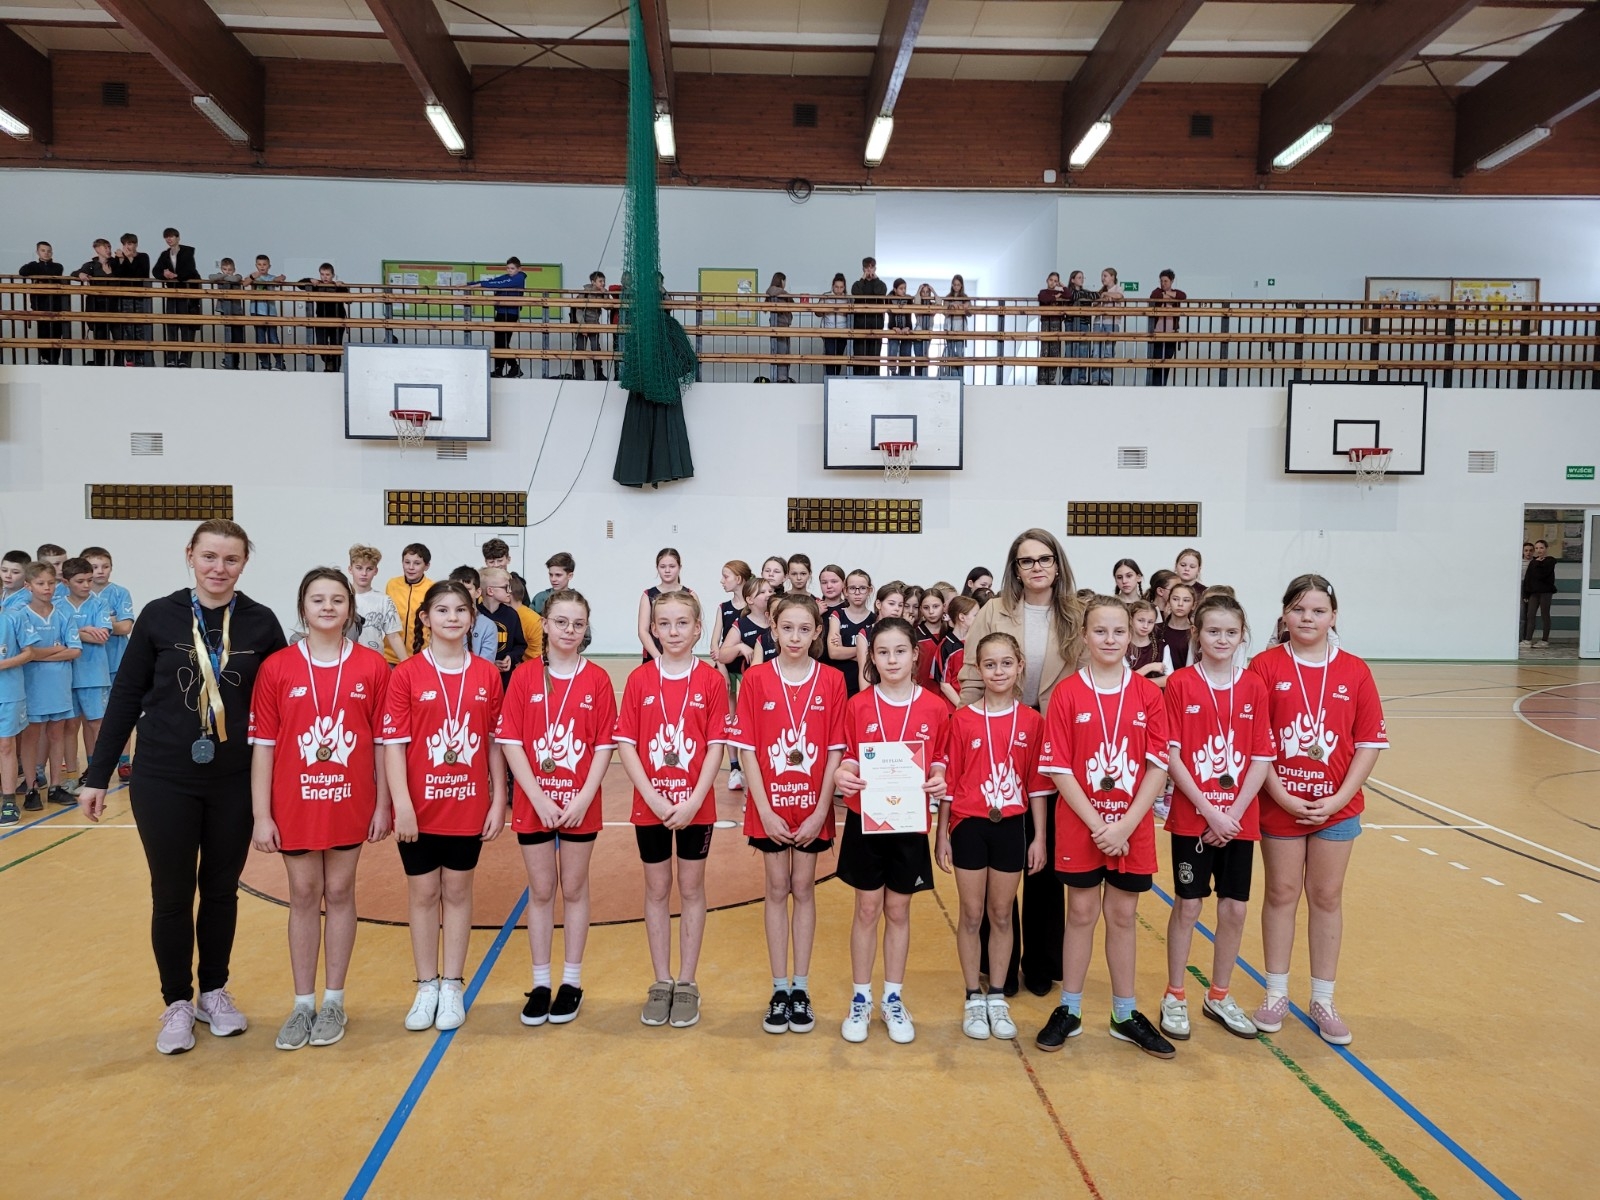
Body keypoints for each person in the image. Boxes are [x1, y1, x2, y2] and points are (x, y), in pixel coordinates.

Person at [78, 520, 288, 1054]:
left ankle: (213, 991)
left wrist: (282, 788)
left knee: (220, 890)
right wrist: (97, 775)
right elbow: (126, 696)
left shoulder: (261, 623)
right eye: (210, 556)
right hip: (164, 778)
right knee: (171, 895)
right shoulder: (159, 615)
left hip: (233, 781)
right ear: (190, 555)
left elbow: (280, 710)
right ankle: (176, 1000)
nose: (219, 568)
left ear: (244, 564)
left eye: (231, 559)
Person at [249, 568, 391, 1050]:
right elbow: (264, 745)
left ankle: (334, 1000)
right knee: (304, 893)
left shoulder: (372, 666)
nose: (328, 607)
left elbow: (382, 744)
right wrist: (261, 815)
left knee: (341, 890)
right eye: (317, 599)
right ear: (303, 607)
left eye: (337, 599)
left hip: (351, 800)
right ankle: (302, 1003)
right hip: (295, 802)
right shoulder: (277, 667)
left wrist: (383, 805)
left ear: (350, 608)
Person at [1249, 574, 1387, 1045]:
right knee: (1281, 893)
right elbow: (1256, 741)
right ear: (1284, 614)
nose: (1307, 618)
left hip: (1337, 807)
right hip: (1280, 803)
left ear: (1333, 616)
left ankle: (1323, 999)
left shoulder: (1355, 670)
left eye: (1318, 610)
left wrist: (1340, 798)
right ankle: (1276, 993)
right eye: (1299, 609)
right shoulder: (1264, 666)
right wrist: (1283, 796)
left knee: (1326, 896)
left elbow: (1369, 742)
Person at [1036, 594, 1175, 1059]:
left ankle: (1124, 1013)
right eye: (1100, 631)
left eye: (1119, 631)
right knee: (1080, 914)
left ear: (1132, 636)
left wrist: (1125, 826)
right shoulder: (1067, 694)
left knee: (1122, 916)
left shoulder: (1148, 694)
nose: (1110, 639)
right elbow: (1059, 768)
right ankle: (1070, 1009)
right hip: (1083, 825)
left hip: (1131, 828)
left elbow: (1157, 765)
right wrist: (1100, 825)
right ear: (1084, 636)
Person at [959, 528, 1081, 997]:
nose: (1036, 567)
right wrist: (970, 730)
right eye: (1026, 560)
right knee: (999, 856)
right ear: (1015, 568)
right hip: (998, 740)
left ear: (1057, 564)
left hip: (1055, 742)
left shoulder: (1075, 614)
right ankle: (999, 969)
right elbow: (972, 674)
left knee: (1043, 859)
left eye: (1044, 559)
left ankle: (1043, 962)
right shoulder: (993, 610)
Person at [385, 580, 506, 1032]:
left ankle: (452, 984)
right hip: (419, 807)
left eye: (460, 610)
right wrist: (402, 804)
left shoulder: (487, 675)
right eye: (442, 610)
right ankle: (426, 985)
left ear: (472, 618)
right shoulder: (406, 674)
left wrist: (498, 799)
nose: (452, 617)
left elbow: (494, 743)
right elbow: (394, 745)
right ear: (425, 618)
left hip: (468, 805)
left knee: (457, 892)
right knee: (422, 894)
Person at [497, 588, 616, 1027]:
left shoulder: (598, 679)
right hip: (536, 803)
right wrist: (537, 797)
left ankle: (571, 981)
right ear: (545, 624)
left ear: (586, 630)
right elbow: (511, 741)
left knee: (575, 888)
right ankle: (541, 982)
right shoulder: (524, 677)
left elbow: (604, 745)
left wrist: (583, 797)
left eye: (578, 624)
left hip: (580, 803)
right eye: (561, 622)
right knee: (542, 890)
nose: (569, 630)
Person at [1159, 592, 1274, 1043]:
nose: (1222, 639)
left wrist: (1233, 814)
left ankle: (1219, 995)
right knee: (1188, 905)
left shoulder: (1254, 687)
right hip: (1194, 817)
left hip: (1238, 818)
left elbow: (1261, 757)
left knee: (1235, 907)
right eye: (1213, 631)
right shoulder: (1180, 684)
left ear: (1242, 636)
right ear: (1197, 635)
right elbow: (1171, 755)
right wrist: (1210, 811)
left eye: (1230, 632)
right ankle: (1175, 994)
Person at [729, 594, 846, 1036]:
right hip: (771, 806)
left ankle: (801, 987)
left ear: (817, 632)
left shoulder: (832, 680)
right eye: (787, 628)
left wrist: (821, 811)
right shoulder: (756, 678)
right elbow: (748, 749)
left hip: (813, 806)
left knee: (804, 888)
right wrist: (763, 809)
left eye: (804, 629)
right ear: (773, 629)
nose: (795, 637)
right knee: (777, 888)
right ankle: (779, 988)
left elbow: (835, 750)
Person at [614, 591, 731, 1030]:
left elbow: (716, 744)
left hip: (696, 805)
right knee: (657, 888)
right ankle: (661, 979)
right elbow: (626, 743)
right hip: (652, 805)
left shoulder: (712, 681)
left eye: (682, 623)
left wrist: (695, 800)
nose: (674, 631)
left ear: (698, 628)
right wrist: (655, 798)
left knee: (692, 888)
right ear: (653, 630)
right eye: (664, 624)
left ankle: (687, 981)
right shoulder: (641, 679)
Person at [831, 618, 950, 1044]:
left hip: (909, 822)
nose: (892, 660)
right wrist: (843, 775)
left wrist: (938, 777)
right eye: (883, 652)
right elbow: (849, 756)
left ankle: (893, 998)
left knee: (898, 911)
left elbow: (940, 759)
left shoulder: (935, 707)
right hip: (867, 820)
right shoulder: (858, 705)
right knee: (866, 909)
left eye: (900, 651)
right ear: (872, 658)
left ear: (915, 654)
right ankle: (861, 998)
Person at [935, 632, 1050, 1041]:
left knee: (1002, 913)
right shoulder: (962, 719)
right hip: (969, 825)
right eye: (989, 664)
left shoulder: (1032, 721)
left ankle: (997, 996)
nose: (998, 671)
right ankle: (973, 996)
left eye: (1006, 663)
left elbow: (1037, 785)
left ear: (1019, 666)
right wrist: (941, 833)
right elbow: (950, 782)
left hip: (1011, 828)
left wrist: (1039, 837)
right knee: (971, 914)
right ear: (978, 670)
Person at [18, 562, 80, 809]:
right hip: (32, 685)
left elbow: (74, 650)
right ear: (28, 586)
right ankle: (31, 787)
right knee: (31, 736)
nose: (47, 588)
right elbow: (27, 653)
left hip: (60, 683)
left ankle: (55, 786)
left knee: (56, 734)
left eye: (51, 583)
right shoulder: (21, 615)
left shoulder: (64, 614)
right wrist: (55, 649)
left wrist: (39, 654)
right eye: (41, 583)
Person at [57, 557, 112, 793]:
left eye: (89, 580)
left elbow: (101, 637)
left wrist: (71, 632)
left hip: (94, 674)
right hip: (65, 675)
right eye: (80, 581)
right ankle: (71, 773)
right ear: (66, 582)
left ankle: (96, 772)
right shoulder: (57, 605)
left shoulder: (99, 604)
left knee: (96, 724)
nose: (86, 585)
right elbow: (54, 637)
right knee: (69, 726)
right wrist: (83, 630)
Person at [0, 588, 36, 824]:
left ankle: (9, 801)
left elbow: (29, 653)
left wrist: (3, 664)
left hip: (9, 691)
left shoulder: (14, 617)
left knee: (6, 745)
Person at [715, 560, 752, 791]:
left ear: (738, 579)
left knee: (747, 717)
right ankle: (734, 768)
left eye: (725, 576)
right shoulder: (723, 607)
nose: (722, 581)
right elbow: (715, 643)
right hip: (727, 667)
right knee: (730, 718)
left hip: (748, 669)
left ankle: (752, 768)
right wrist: (721, 668)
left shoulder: (755, 604)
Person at [345, 545, 405, 661]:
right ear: (350, 569)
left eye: (369, 569)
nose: (364, 573)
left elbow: (393, 636)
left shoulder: (384, 601)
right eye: (359, 568)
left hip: (374, 661)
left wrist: (408, 664)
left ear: (376, 571)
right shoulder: (341, 599)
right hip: (346, 660)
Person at [154, 227, 201, 368]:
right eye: (166, 237)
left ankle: (184, 359)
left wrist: (176, 276)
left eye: (171, 236)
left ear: (178, 238)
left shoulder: (187, 252)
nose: (169, 239)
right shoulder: (165, 255)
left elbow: (190, 270)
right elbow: (155, 271)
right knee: (171, 326)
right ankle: (172, 358)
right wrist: (165, 275)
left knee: (187, 327)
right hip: (172, 294)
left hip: (187, 294)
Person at [636, 547, 693, 663]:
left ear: (679, 567)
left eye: (672, 566)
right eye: (662, 567)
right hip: (653, 657)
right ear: (657, 568)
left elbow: (695, 630)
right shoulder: (648, 595)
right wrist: (659, 659)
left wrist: (681, 651)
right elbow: (643, 631)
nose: (667, 570)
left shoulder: (690, 595)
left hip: (682, 657)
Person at [19, 241, 70, 365]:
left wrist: (40, 280)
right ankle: (45, 359)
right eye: (43, 251)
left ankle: (54, 360)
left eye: (49, 251)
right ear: (37, 252)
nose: (46, 253)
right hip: (40, 305)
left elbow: (54, 273)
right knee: (43, 333)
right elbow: (22, 271)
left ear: (52, 253)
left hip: (56, 306)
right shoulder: (33, 265)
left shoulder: (57, 266)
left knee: (57, 334)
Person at [477, 566, 527, 692]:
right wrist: (489, 664)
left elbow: (520, 645)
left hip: (505, 679)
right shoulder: (475, 615)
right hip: (479, 678)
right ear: (490, 591)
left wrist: (511, 657)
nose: (510, 591)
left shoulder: (512, 615)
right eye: (506, 587)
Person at [476, 257, 527, 378]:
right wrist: (469, 284)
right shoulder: (506, 277)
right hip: (501, 312)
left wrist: (479, 285)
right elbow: (494, 281)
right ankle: (500, 369)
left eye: (512, 268)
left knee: (503, 341)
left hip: (511, 313)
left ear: (519, 269)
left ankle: (513, 367)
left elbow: (499, 284)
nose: (509, 270)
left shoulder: (519, 278)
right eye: (508, 268)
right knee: (499, 342)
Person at [826, 569, 874, 698]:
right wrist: (864, 651)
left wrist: (844, 650)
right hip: (839, 681)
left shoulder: (874, 620)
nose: (857, 593)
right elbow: (833, 653)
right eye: (852, 588)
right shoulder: (837, 615)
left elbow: (874, 658)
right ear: (845, 591)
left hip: (865, 682)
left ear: (870, 590)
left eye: (862, 588)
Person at [384, 543, 432, 665]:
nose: (411, 567)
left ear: (426, 566)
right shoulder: (392, 584)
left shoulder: (432, 588)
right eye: (407, 562)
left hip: (420, 657)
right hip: (390, 656)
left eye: (417, 563)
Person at [717, 577, 777, 671]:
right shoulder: (741, 625)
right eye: (762, 592)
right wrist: (739, 647)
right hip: (754, 676)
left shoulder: (780, 621)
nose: (769, 594)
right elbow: (722, 656)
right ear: (750, 600)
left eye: (770, 591)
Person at [111, 233, 153, 367]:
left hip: (140, 298)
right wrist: (122, 260)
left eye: (130, 244)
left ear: (136, 244)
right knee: (127, 329)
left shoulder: (143, 257)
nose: (127, 247)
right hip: (124, 298)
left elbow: (141, 274)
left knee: (141, 329)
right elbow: (119, 275)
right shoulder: (118, 259)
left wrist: (129, 259)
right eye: (124, 244)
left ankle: (143, 359)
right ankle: (130, 359)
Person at [76, 238, 119, 366]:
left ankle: (118, 367)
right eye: (105, 247)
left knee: (119, 341)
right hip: (98, 308)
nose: (108, 250)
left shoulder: (116, 264)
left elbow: (125, 273)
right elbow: (76, 272)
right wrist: (80, 275)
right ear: (97, 249)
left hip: (115, 308)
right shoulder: (91, 265)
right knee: (100, 342)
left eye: (109, 247)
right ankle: (99, 367)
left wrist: (122, 259)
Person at [298, 263, 348, 373]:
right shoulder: (317, 286)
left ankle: (335, 370)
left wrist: (342, 286)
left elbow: (349, 300)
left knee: (336, 346)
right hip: (321, 321)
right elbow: (299, 284)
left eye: (327, 274)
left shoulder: (337, 286)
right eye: (322, 274)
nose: (325, 277)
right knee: (321, 344)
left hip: (337, 322)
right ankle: (328, 362)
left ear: (333, 275)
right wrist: (310, 280)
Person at [447, 566, 501, 665]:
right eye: (457, 589)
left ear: (478, 592)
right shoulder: (445, 622)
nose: (462, 593)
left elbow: (486, 665)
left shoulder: (488, 626)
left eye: (467, 589)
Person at [247, 254, 288, 371]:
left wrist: (281, 277)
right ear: (256, 265)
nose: (262, 267)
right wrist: (252, 276)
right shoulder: (253, 277)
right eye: (259, 264)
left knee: (273, 339)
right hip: (256, 312)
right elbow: (245, 283)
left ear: (269, 266)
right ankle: (265, 363)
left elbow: (277, 280)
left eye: (264, 264)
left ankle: (279, 362)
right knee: (260, 340)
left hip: (270, 313)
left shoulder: (271, 277)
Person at [1146, 269, 1186, 386]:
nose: (1163, 283)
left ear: (1172, 281)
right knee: (1156, 361)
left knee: (1167, 361)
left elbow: (1182, 296)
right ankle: (1155, 385)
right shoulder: (1157, 291)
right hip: (1157, 333)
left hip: (1171, 334)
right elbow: (1155, 296)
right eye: (1161, 281)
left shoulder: (1176, 292)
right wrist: (1168, 296)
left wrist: (1167, 295)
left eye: (1166, 281)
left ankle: (1162, 385)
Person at [938, 596, 979, 708]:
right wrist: (962, 706)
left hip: (973, 703)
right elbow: (944, 684)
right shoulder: (946, 646)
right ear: (962, 617)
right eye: (975, 615)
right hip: (953, 708)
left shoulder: (976, 641)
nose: (979, 619)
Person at [850, 257, 888, 376]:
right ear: (863, 269)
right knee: (860, 356)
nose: (869, 270)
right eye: (867, 267)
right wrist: (863, 278)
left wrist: (875, 278)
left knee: (875, 357)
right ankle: (858, 379)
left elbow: (880, 292)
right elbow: (856, 292)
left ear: (875, 268)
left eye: (871, 267)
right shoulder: (857, 284)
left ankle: (874, 378)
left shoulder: (881, 284)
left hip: (876, 325)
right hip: (860, 325)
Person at [208, 258, 247, 370]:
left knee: (237, 339)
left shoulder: (237, 276)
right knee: (228, 336)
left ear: (234, 269)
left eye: (230, 270)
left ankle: (235, 363)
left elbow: (235, 279)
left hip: (237, 312)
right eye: (225, 269)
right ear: (221, 269)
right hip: (225, 310)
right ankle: (228, 361)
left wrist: (224, 277)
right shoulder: (219, 276)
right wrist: (224, 276)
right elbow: (211, 277)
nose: (227, 271)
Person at [1088, 267, 1123, 386]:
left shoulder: (1117, 288)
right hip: (1099, 322)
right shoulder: (1100, 291)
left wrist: (1105, 294)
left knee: (1109, 350)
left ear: (1113, 277)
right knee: (1096, 351)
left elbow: (1119, 295)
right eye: (1102, 276)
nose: (1103, 278)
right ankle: (1095, 378)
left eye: (1105, 276)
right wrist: (1102, 298)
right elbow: (1094, 305)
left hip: (1112, 322)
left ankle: (1106, 378)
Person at [572, 270, 608, 380]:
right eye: (600, 281)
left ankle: (598, 374)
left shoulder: (602, 293)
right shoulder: (585, 293)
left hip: (595, 324)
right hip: (583, 323)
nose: (603, 283)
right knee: (580, 350)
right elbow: (579, 311)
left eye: (603, 281)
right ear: (593, 282)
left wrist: (605, 294)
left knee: (596, 349)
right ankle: (579, 375)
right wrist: (582, 326)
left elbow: (608, 306)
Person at [1522, 539, 1557, 648]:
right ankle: (1528, 639)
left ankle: (1544, 640)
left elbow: (1542, 574)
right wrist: (1526, 594)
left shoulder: (1550, 561)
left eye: (1541, 548)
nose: (1539, 550)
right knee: (1530, 614)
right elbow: (1528, 578)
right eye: (1537, 548)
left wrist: (1537, 563)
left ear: (1546, 548)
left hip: (1545, 592)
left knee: (1544, 614)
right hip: (1534, 592)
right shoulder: (1533, 562)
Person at [765, 271, 797, 383]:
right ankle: (782, 378)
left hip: (776, 325)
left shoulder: (771, 294)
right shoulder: (782, 294)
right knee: (783, 353)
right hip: (782, 325)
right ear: (782, 281)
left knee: (778, 352)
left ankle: (779, 376)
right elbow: (792, 305)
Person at [1158, 582, 1197, 673]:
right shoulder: (1156, 629)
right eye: (1175, 599)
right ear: (1168, 602)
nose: (1180, 604)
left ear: (1193, 605)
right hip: (1159, 679)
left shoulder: (1195, 633)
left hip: (1186, 679)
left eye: (1186, 600)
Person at [1037, 272, 1067, 385]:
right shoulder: (1043, 292)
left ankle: (1051, 378)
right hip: (1046, 322)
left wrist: (1062, 285)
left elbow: (1069, 295)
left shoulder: (1060, 292)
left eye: (1055, 281)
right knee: (1045, 349)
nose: (1052, 282)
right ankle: (1042, 378)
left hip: (1056, 322)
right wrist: (1055, 297)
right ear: (1047, 280)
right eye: (1051, 280)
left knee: (1055, 350)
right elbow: (1043, 298)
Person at [818, 273, 850, 376]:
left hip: (843, 332)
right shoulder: (826, 296)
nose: (839, 290)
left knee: (839, 357)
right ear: (832, 286)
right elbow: (817, 313)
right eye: (836, 287)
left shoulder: (848, 299)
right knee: (830, 355)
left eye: (841, 287)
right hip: (829, 331)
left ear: (844, 287)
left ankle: (835, 378)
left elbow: (851, 314)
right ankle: (830, 378)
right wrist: (825, 309)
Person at [1064, 270, 1091, 384]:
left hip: (1083, 322)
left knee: (1083, 350)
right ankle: (1067, 377)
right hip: (1070, 322)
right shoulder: (1068, 292)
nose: (1082, 279)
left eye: (1083, 277)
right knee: (1069, 349)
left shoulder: (1086, 293)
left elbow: (1095, 295)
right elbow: (1071, 296)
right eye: (1079, 277)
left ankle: (1081, 377)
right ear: (1072, 280)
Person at [941, 275, 970, 379]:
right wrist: (952, 307)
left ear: (961, 285)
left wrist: (961, 307)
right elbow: (944, 312)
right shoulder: (948, 297)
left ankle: (960, 378)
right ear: (952, 285)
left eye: (958, 285)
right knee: (951, 354)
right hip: (950, 327)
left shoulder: (965, 297)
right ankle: (955, 377)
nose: (956, 287)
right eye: (954, 284)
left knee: (960, 355)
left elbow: (970, 312)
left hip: (961, 327)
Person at [886, 278, 915, 376]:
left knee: (906, 352)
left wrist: (908, 327)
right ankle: (893, 372)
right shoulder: (889, 299)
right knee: (893, 349)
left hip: (906, 329)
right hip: (894, 329)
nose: (904, 290)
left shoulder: (908, 299)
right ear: (895, 289)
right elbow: (890, 316)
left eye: (905, 288)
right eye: (901, 288)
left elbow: (909, 315)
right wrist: (893, 327)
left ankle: (905, 375)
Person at [913, 282, 937, 376]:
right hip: (918, 334)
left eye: (927, 292)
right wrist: (918, 290)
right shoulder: (918, 304)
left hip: (928, 334)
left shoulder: (932, 305)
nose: (925, 294)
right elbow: (916, 301)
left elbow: (939, 302)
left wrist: (933, 291)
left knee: (925, 357)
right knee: (918, 357)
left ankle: (925, 377)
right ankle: (917, 377)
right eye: (923, 292)